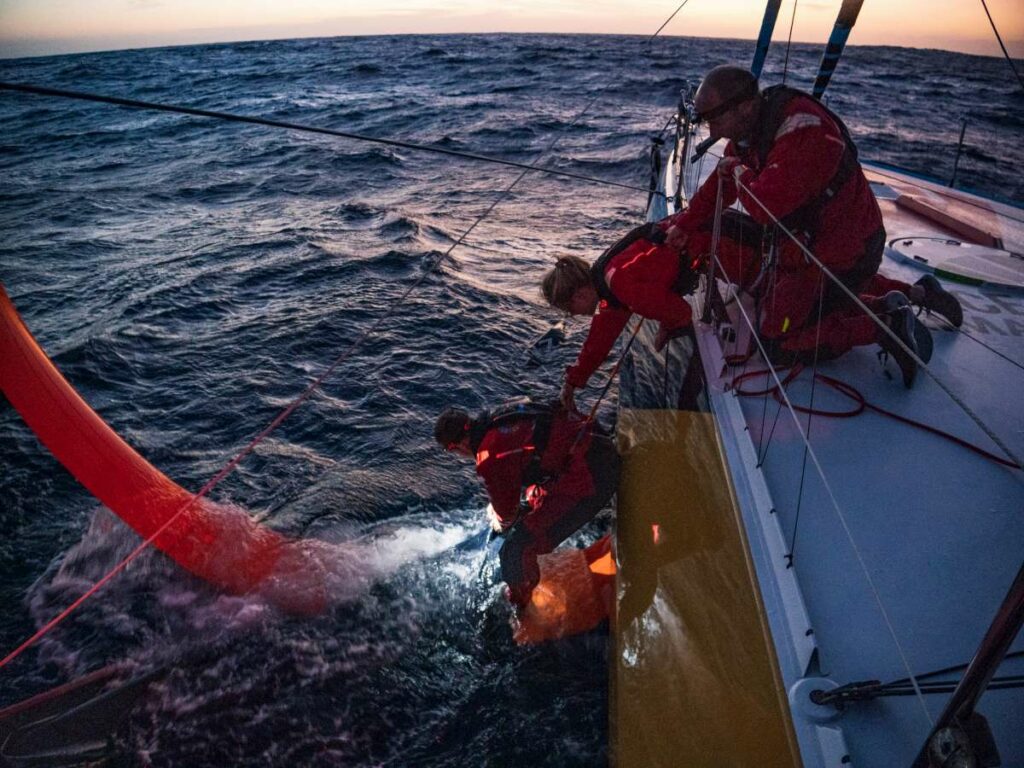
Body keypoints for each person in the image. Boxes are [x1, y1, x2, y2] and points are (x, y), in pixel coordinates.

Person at [661, 64, 962, 387]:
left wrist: (736, 172)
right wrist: (685, 224)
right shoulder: (754, 133)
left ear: (744, 106)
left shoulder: (805, 132)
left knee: (777, 339)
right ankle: (919, 293)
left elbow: (766, 206)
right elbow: (722, 186)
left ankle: (885, 325)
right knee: (788, 289)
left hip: (848, 251)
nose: (711, 133)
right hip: (809, 248)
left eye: (715, 120)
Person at [435, 398, 619, 611]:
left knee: (515, 549)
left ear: (456, 446)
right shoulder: (500, 414)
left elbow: (507, 515)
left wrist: (500, 519)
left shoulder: (488, 457)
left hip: (593, 478)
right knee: (530, 502)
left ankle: (522, 606)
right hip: (595, 447)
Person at [540, 222, 701, 410]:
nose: (572, 315)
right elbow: (599, 341)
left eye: (569, 309)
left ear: (579, 296)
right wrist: (572, 383)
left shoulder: (619, 284)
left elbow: (681, 312)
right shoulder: (606, 284)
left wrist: (666, 328)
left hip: (722, 248)